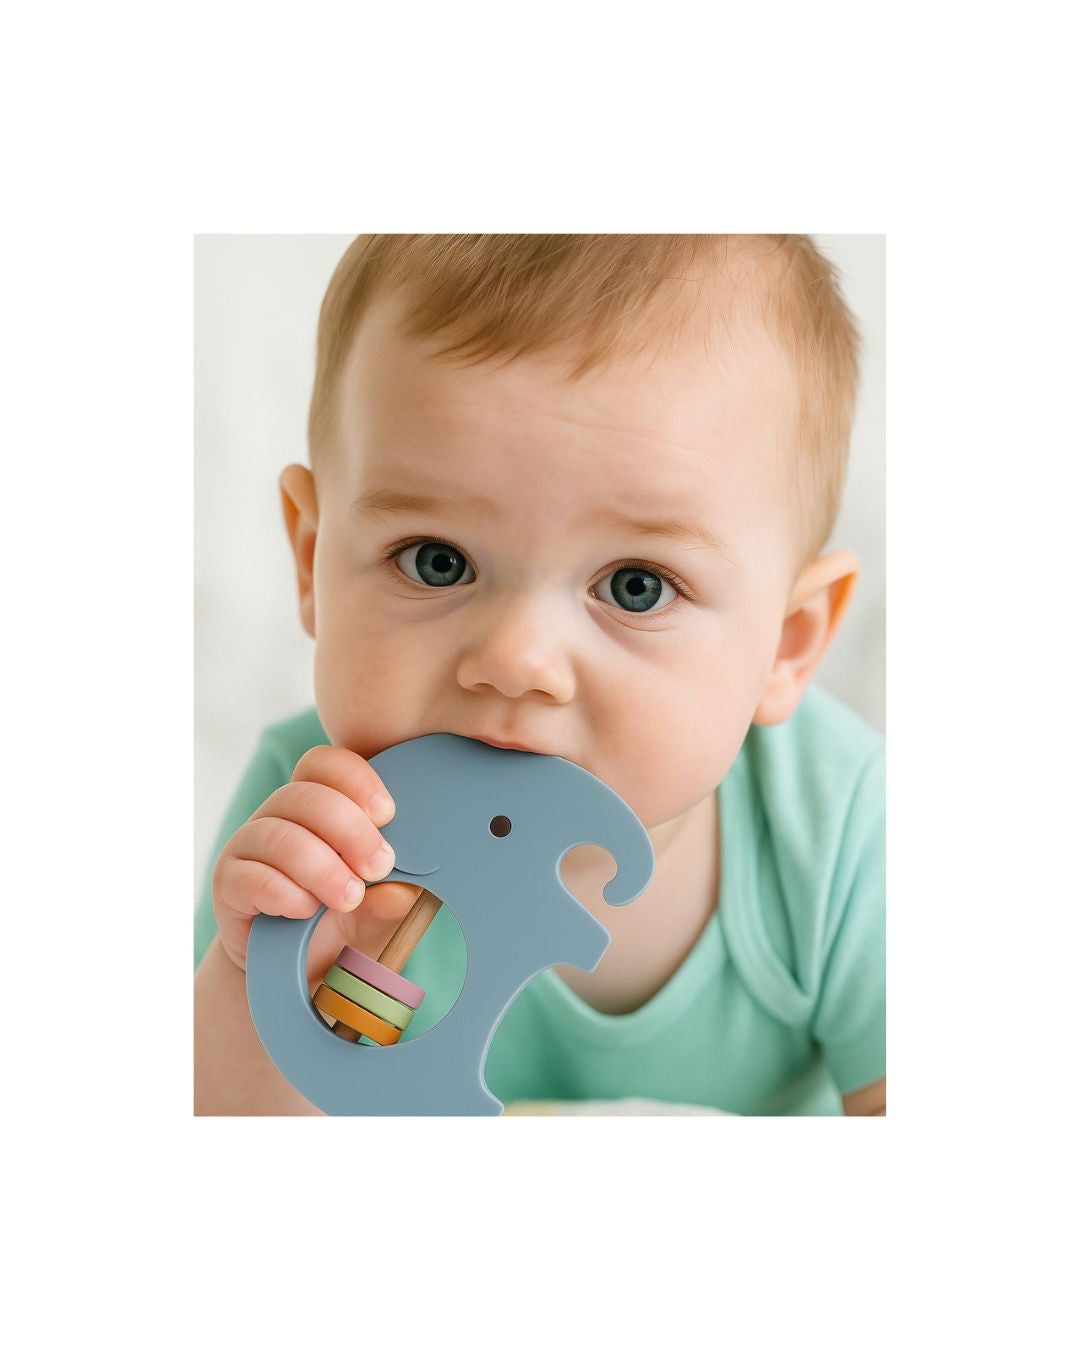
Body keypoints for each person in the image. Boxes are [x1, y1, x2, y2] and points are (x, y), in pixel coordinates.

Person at [194, 234, 884, 1116]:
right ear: (312, 561)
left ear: (786, 643)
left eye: (636, 587)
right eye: (436, 561)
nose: (515, 659)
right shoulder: (313, 836)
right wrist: (259, 983)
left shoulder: (844, 838)